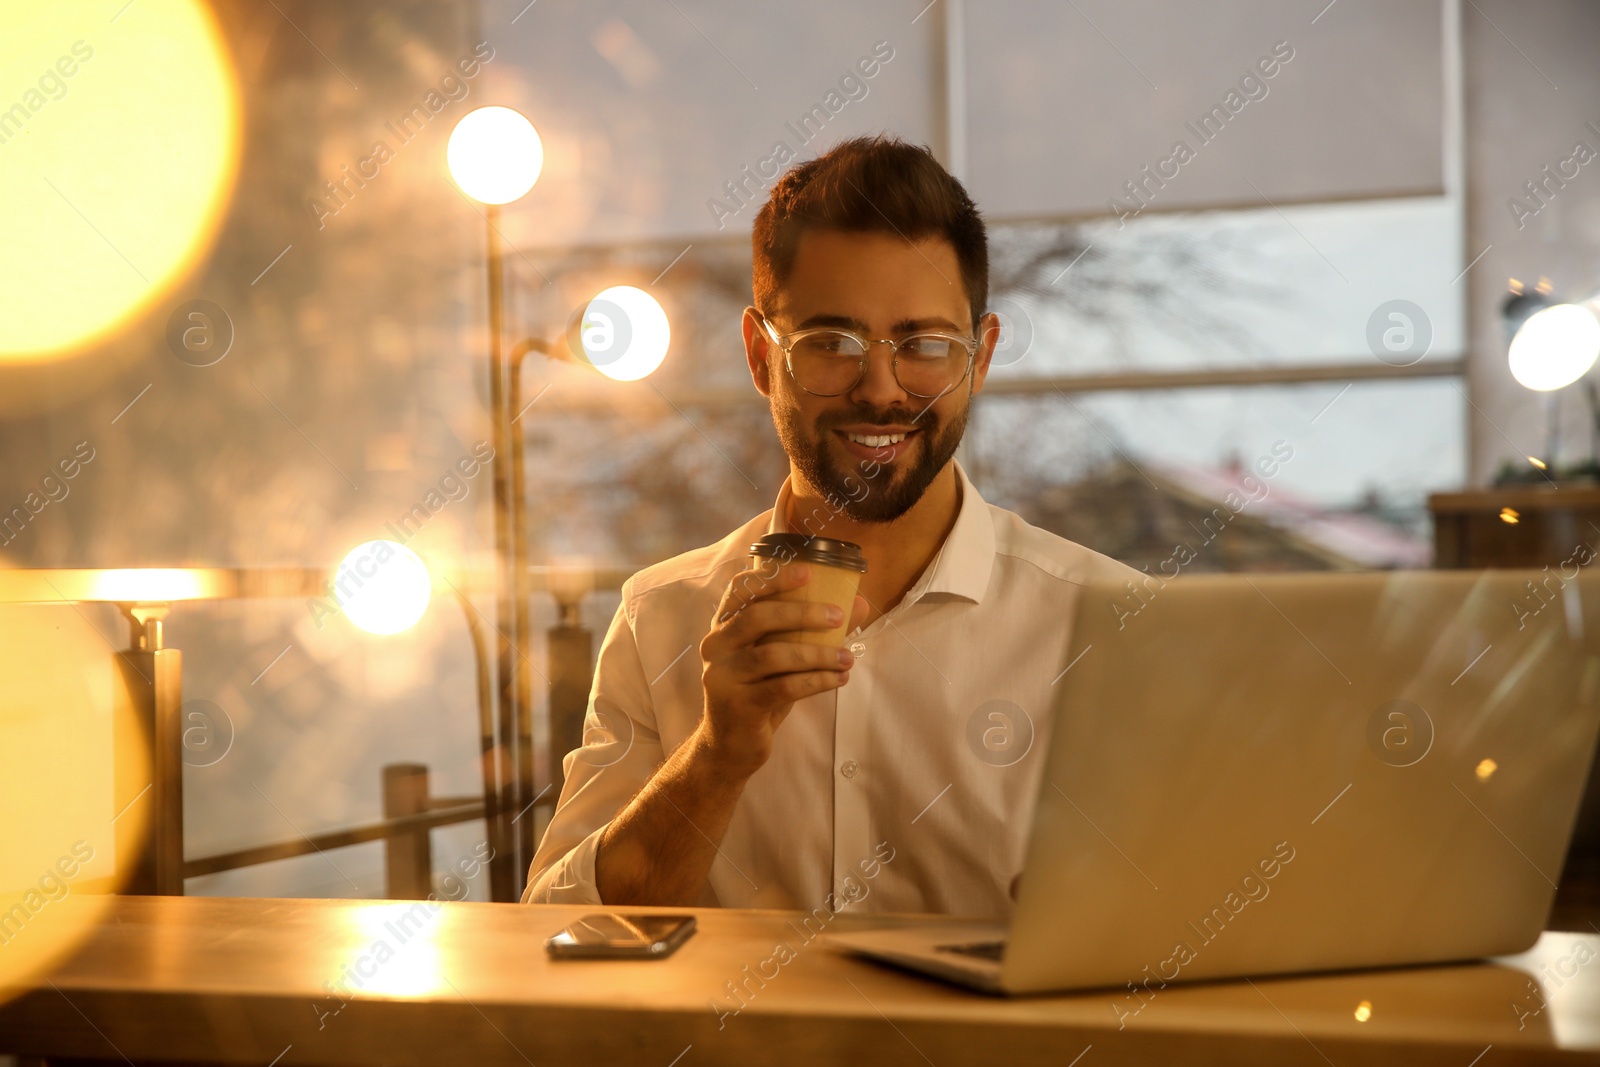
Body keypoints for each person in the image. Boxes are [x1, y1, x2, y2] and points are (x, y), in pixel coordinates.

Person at [524, 135, 1136, 917]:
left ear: (978, 360)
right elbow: (556, 936)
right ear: (758, 355)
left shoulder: (1109, 625)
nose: (880, 389)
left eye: (924, 345)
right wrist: (715, 758)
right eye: (831, 344)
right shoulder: (662, 616)